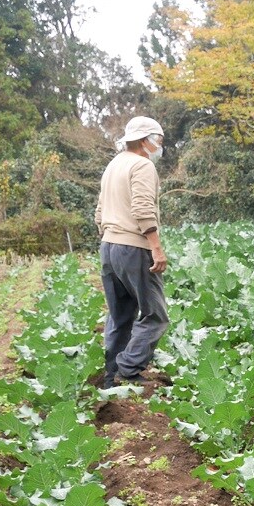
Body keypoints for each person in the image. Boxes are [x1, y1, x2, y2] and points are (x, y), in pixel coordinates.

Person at [95, 115, 170, 387]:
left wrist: (110, 239)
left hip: (108, 245)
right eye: (158, 140)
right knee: (155, 316)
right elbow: (142, 208)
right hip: (133, 247)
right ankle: (127, 369)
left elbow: (100, 211)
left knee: (120, 315)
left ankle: (109, 377)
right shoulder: (142, 165)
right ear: (143, 140)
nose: (160, 146)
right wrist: (156, 249)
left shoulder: (113, 165)